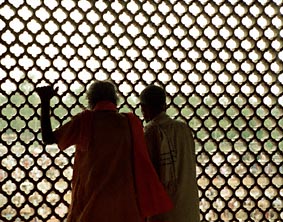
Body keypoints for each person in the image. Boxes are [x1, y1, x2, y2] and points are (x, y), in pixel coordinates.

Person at [36, 81, 173, 222]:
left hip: (92, 204)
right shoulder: (130, 123)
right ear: (115, 99)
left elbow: (48, 137)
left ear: (90, 100)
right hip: (125, 205)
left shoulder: (85, 121)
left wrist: (45, 102)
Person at [140, 85, 200, 222]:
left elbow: (146, 173)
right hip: (189, 208)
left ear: (144, 108)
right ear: (165, 106)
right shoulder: (183, 129)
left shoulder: (151, 132)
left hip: (164, 213)